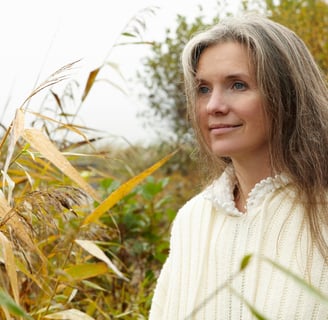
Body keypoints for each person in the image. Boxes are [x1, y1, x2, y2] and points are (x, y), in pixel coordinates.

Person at [149, 13, 328, 320]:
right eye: (204, 89)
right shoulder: (192, 220)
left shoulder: (322, 211)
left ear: (286, 95)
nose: (213, 106)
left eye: (237, 85)